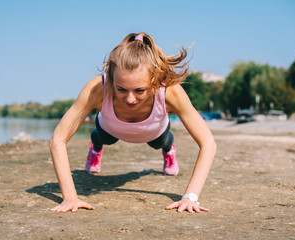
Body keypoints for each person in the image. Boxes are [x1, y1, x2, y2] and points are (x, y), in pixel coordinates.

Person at [49, 32, 217, 213]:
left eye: (139, 90)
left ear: (155, 80)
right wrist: (70, 197)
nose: (130, 99)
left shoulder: (170, 91)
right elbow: (58, 139)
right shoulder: (97, 89)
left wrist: (190, 197)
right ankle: (95, 149)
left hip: (154, 131)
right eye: (121, 89)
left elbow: (208, 143)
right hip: (109, 128)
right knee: (100, 137)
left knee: (161, 142)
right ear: (111, 78)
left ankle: (169, 151)